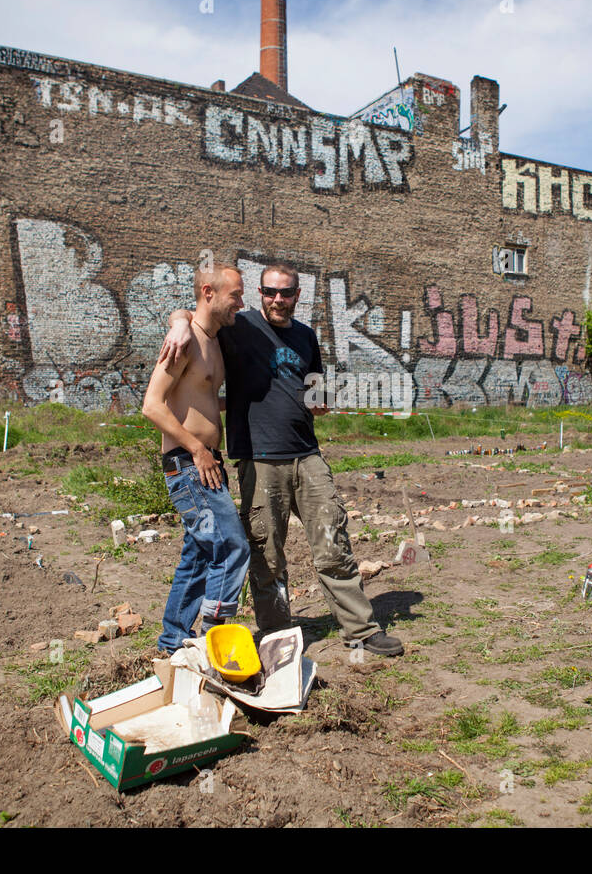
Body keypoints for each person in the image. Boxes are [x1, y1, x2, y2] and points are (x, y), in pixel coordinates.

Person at [161, 264, 403, 657]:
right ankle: (276, 635)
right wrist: (178, 323)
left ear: (297, 295)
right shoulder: (238, 326)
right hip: (259, 458)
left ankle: (361, 630)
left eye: (286, 293)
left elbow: (314, 393)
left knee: (333, 542)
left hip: (307, 455)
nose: (278, 299)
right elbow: (196, 313)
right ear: (260, 293)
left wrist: (321, 401)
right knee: (266, 555)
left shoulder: (307, 337)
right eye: (270, 292)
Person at [142, 262, 250, 654]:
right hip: (189, 465)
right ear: (209, 292)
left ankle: (172, 642)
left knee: (199, 553)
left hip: (205, 461)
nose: (242, 301)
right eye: (235, 294)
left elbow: (202, 401)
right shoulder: (182, 342)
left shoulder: (211, 339)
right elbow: (152, 406)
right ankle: (214, 639)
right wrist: (197, 448)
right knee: (232, 547)